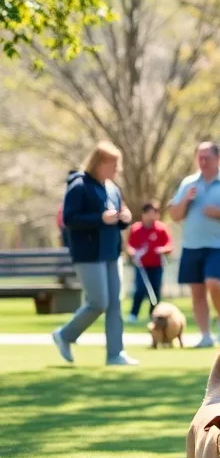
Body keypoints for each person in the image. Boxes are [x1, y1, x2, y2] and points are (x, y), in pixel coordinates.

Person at [52, 142, 139, 366]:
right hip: (88, 254)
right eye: (114, 164)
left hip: (111, 252)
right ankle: (65, 335)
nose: (117, 170)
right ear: (100, 163)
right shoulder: (79, 186)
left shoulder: (112, 187)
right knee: (98, 302)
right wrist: (99, 219)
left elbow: (116, 218)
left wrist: (123, 218)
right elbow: (69, 219)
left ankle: (115, 354)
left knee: (114, 304)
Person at [169, 142, 220, 348]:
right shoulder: (188, 183)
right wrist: (185, 199)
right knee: (197, 291)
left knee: (213, 282)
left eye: (207, 158)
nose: (202, 162)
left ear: (218, 159)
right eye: (199, 158)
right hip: (192, 245)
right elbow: (174, 215)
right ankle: (205, 335)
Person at [126, 202, 173, 322]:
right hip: (142, 266)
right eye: (148, 213)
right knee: (140, 289)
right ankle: (133, 314)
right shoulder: (136, 228)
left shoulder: (161, 229)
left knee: (156, 290)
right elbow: (130, 246)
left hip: (157, 265)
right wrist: (133, 252)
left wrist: (162, 250)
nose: (151, 217)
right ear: (143, 214)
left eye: (154, 214)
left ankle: (154, 315)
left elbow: (169, 245)